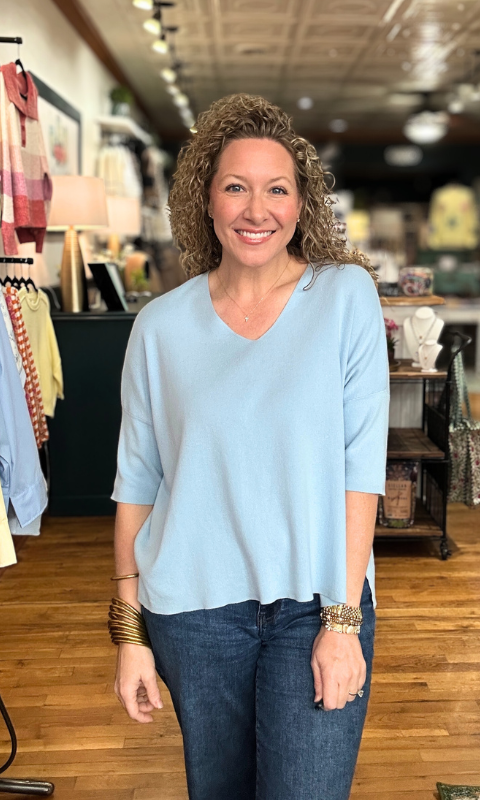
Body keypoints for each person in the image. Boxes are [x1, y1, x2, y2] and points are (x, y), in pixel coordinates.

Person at [109, 93, 389, 800]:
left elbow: (362, 466)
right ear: (206, 200)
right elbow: (137, 483)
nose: (255, 209)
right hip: (195, 618)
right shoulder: (160, 327)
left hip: (318, 606)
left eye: (276, 189)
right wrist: (129, 634)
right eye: (235, 186)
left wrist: (343, 621)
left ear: (301, 204)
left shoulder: (344, 296)